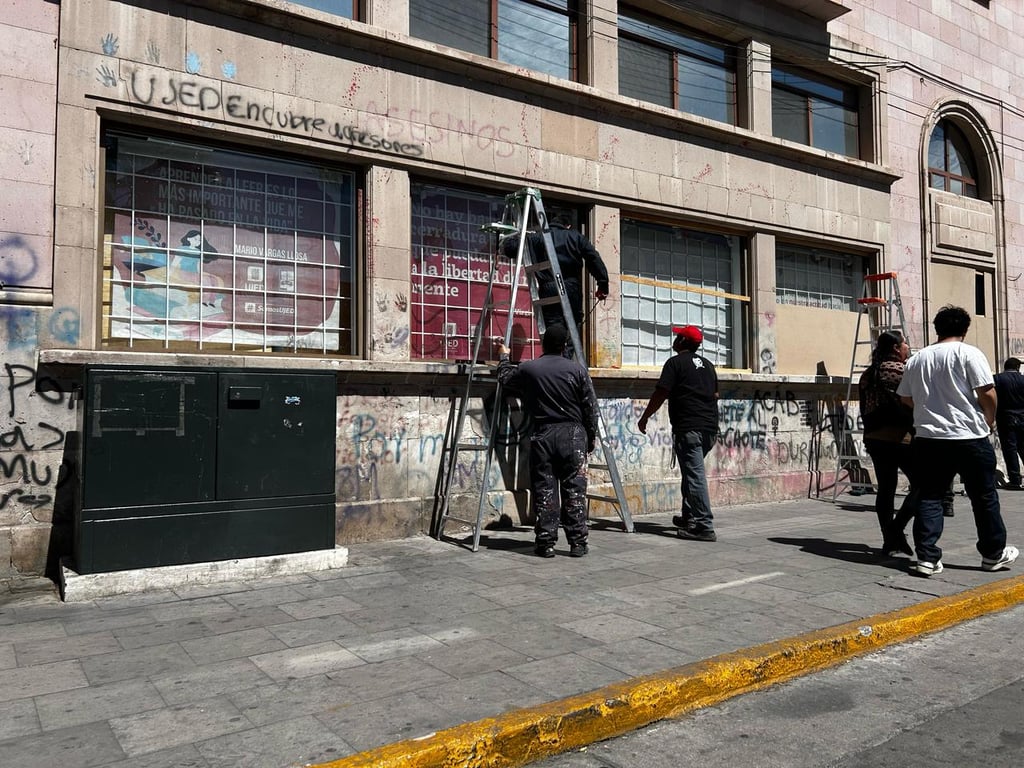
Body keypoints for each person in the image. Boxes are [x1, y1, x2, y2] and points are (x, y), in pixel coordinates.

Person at [896, 305, 1018, 577]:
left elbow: (905, 397)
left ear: (937, 329)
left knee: (930, 495)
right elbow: (987, 393)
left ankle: (927, 557)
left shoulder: (917, 359)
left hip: (929, 438)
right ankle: (992, 554)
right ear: (965, 329)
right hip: (969, 436)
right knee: (984, 496)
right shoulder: (969, 353)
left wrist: (928, 410)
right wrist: (989, 419)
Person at [496, 325, 599, 558]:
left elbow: (505, 378)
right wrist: (590, 437)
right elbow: (590, 407)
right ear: (564, 346)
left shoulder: (530, 368)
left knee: (544, 489)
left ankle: (545, 542)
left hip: (542, 433)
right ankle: (577, 542)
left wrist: (504, 356)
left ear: (543, 344)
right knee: (575, 490)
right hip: (573, 434)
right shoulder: (577, 370)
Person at [637, 325, 719, 541]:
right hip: (710, 428)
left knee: (695, 476)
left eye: (678, 336)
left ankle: (704, 526)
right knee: (691, 473)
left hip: (689, 428)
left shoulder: (675, 363)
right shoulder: (708, 365)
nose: (674, 339)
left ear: (683, 341)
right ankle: (690, 516)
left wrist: (645, 417)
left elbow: (661, 392)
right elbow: (715, 395)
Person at [503, 212, 609, 353]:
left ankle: (555, 359)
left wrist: (513, 235)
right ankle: (565, 360)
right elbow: (593, 259)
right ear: (568, 226)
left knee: (553, 327)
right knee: (572, 328)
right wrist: (603, 285)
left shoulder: (538, 237)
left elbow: (510, 249)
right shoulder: (576, 237)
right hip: (571, 287)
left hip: (548, 287)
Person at [858, 330, 916, 557]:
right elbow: (914, 402)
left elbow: (864, 407)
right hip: (901, 438)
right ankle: (896, 529)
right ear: (896, 348)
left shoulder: (868, 374)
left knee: (886, 488)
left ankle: (889, 540)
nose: (907, 348)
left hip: (875, 437)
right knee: (923, 485)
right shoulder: (902, 371)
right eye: (905, 344)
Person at [993, 357, 1024, 490]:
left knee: (1010, 449)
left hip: (1006, 418)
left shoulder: (997, 379)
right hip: (1022, 417)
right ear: (1017, 367)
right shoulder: (1022, 379)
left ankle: (1015, 480)